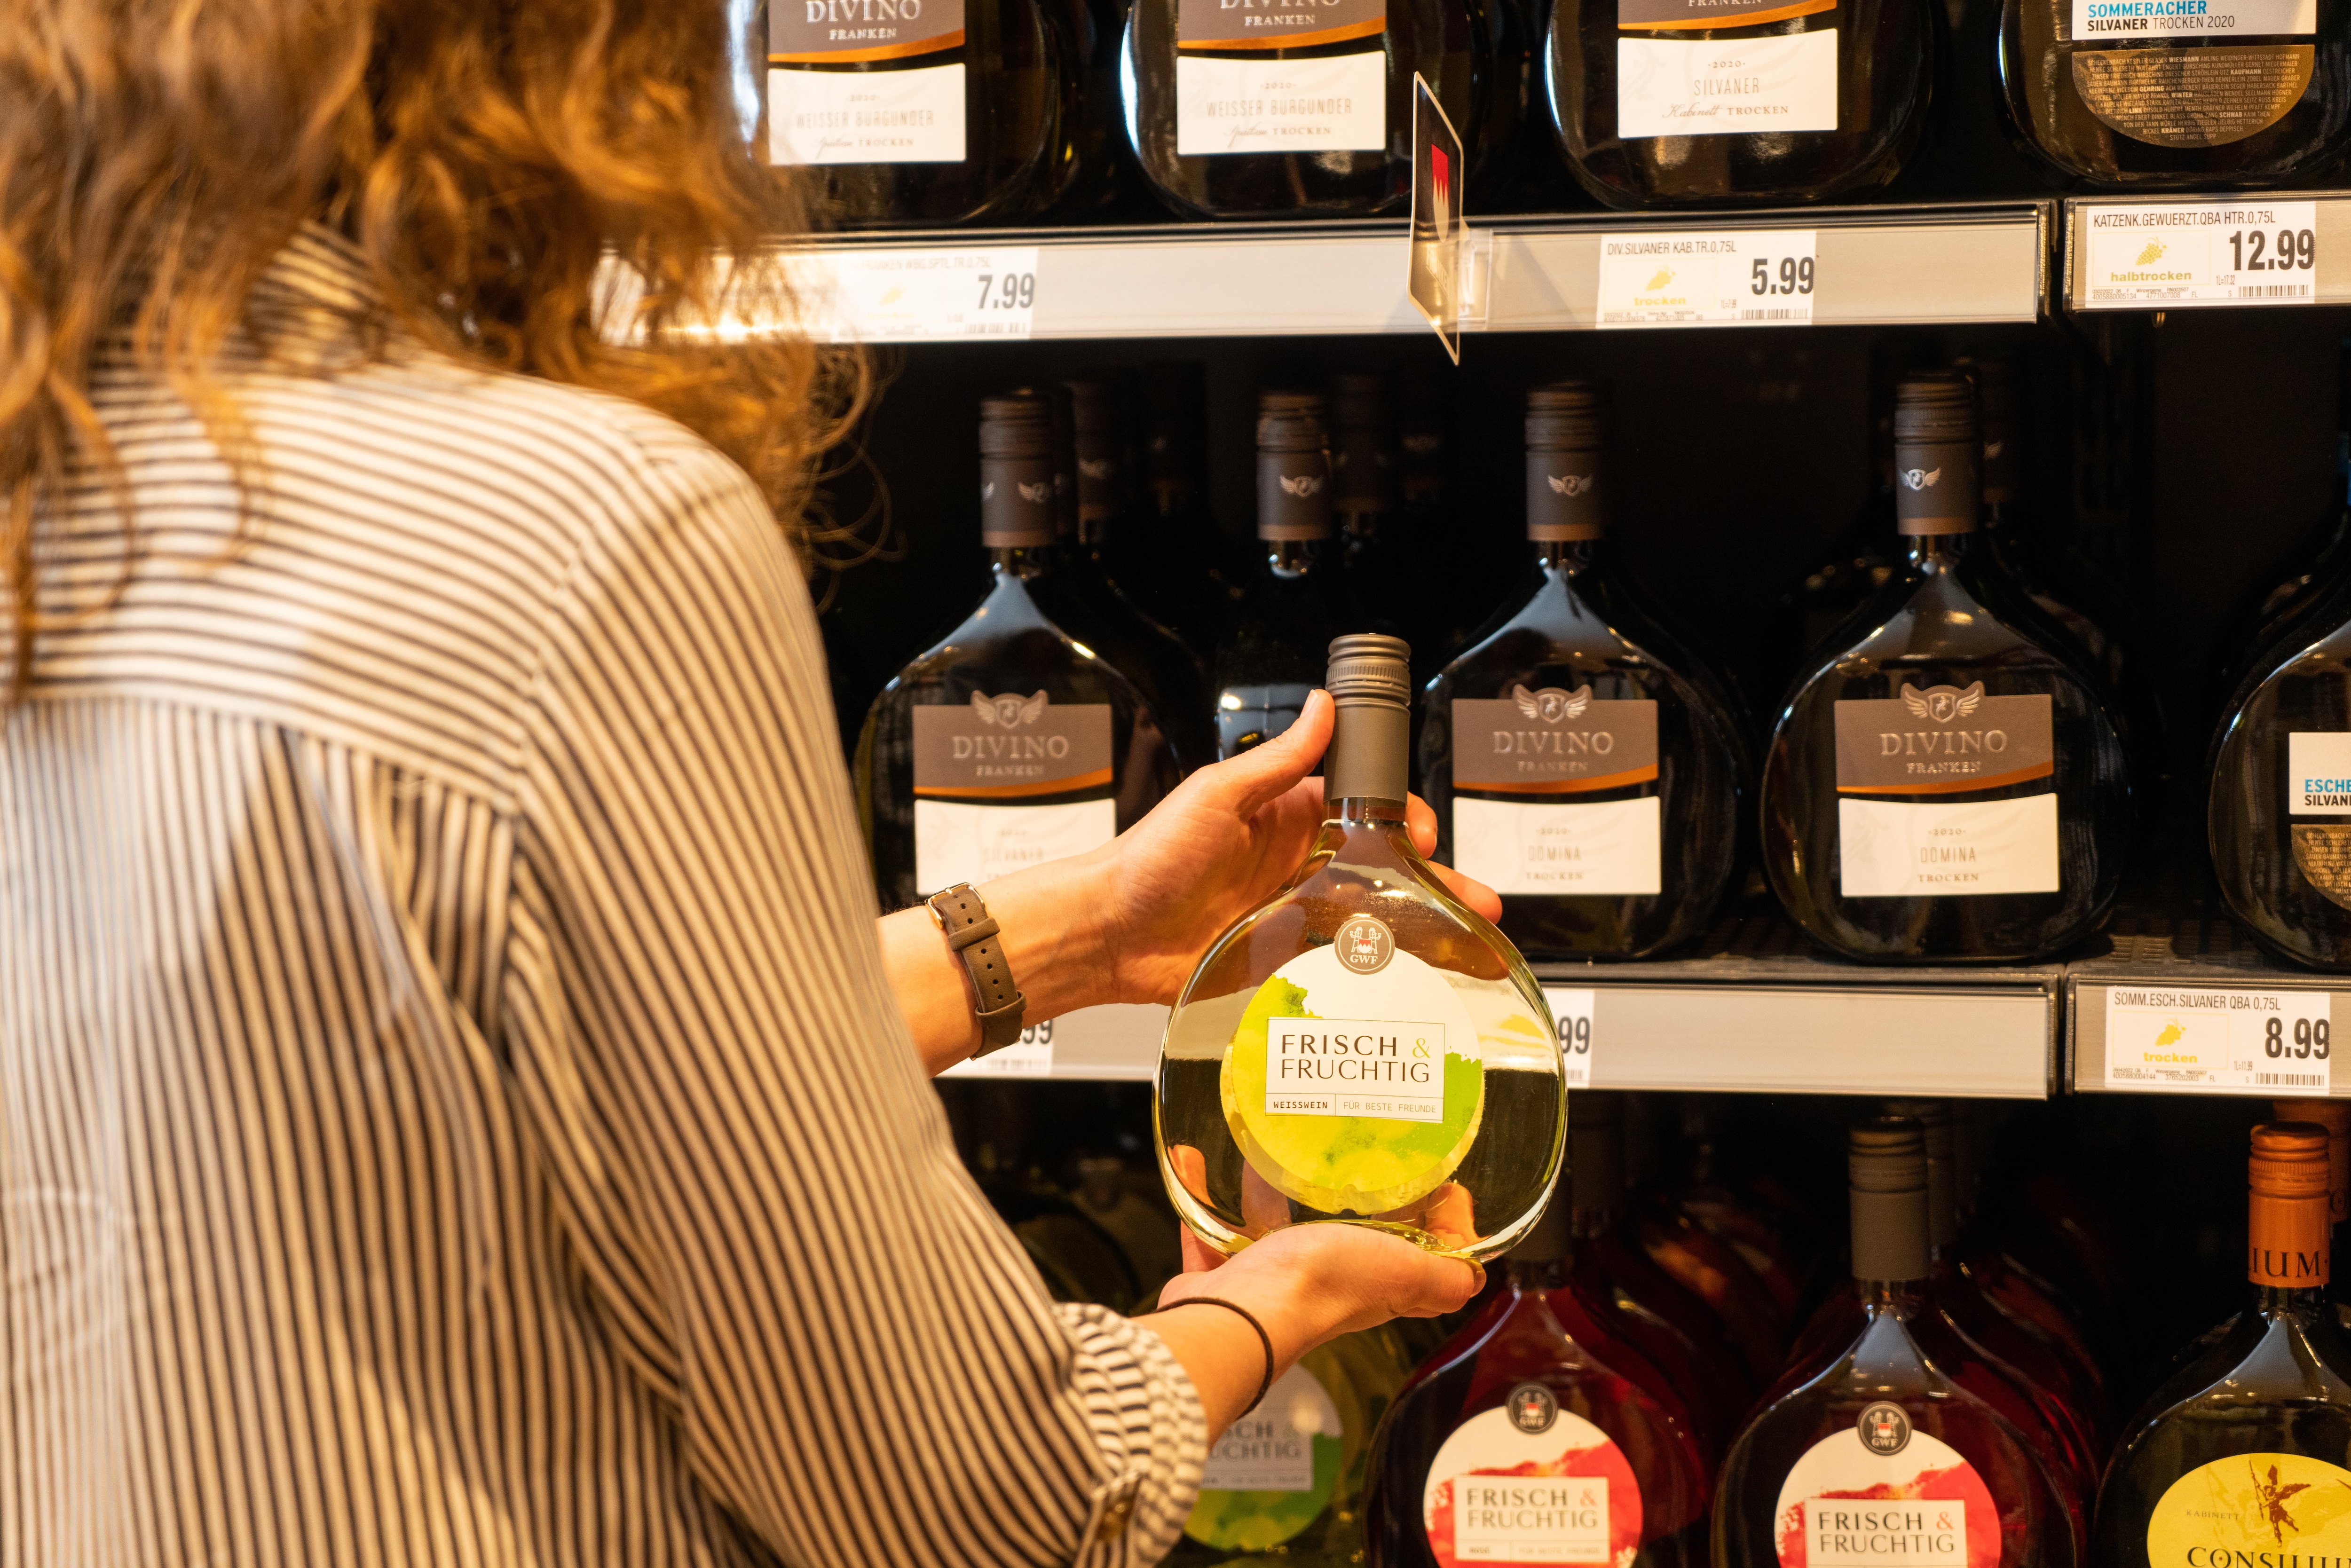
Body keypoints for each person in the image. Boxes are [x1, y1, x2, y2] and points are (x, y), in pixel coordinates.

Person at [0, 2, 1487, 1563]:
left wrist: (1082, 933)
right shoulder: (583, 537)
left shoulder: (52, 475)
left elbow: (368, 1049)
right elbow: (963, 1491)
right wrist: (1273, 1301)